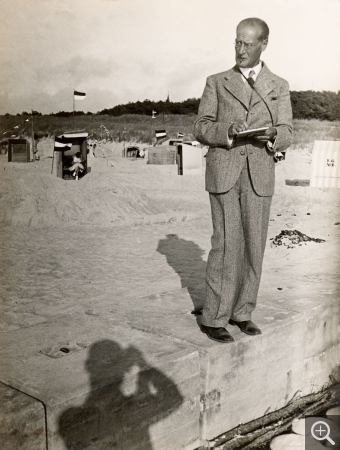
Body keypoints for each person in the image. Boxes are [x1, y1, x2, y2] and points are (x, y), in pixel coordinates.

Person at [194, 17, 293, 343]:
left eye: (248, 44)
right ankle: (214, 317)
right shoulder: (217, 82)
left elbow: (288, 132)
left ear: (263, 44)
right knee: (226, 245)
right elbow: (201, 126)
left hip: (260, 173)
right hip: (224, 170)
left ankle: (242, 313)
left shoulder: (278, 85)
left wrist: (274, 133)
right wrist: (226, 131)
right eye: (237, 42)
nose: (240, 49)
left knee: (254, 246)